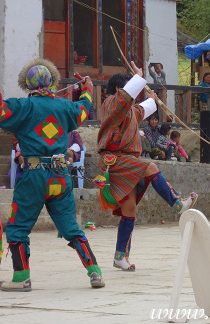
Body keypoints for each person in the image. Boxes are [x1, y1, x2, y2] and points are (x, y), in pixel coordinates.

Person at [0, 58, 104, 291]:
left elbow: (1, 112)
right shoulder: (65, 107)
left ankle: (21, 278)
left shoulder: (22, 107)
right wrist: (87, 89)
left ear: (28, 84)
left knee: (17, 227)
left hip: (34, 176)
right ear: (52, 82)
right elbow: (84, 110)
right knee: (70, 227)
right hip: (59, 175)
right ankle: (95, 272)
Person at [97, 62, 197, 272]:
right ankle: (177, 203)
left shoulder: (129, 111)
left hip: (125, 163)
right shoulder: (111, 104)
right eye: (129, 88)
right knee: (150, 166)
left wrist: (154, 98)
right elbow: (127, 98)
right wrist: (139, 78)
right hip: (116, 160)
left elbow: (145, 107)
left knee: (130, 209)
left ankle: (120, 256)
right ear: (119, 90)